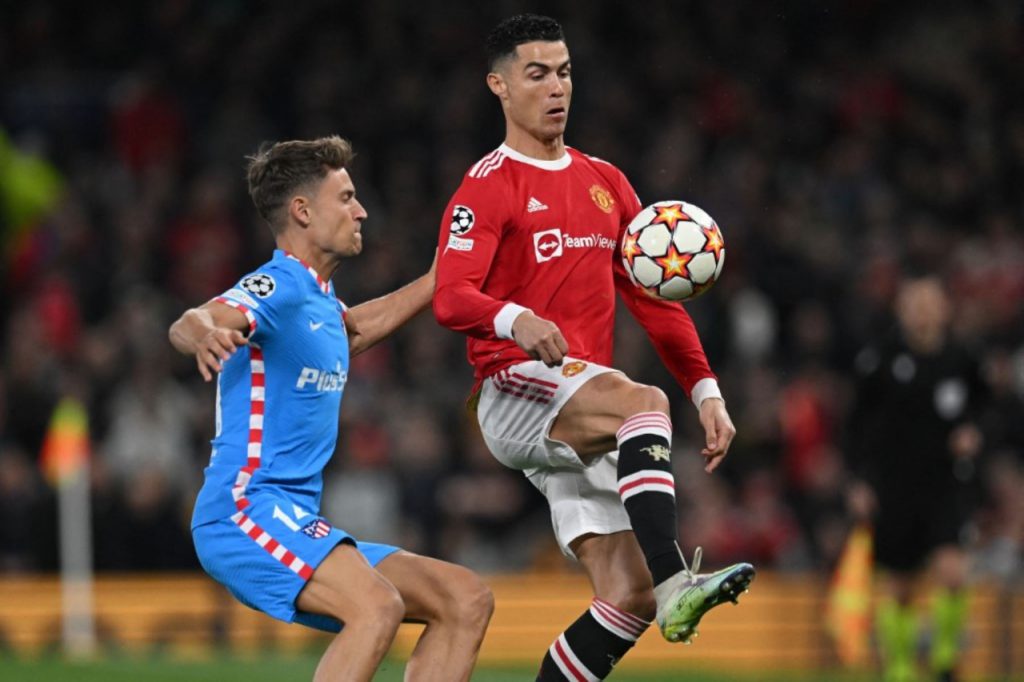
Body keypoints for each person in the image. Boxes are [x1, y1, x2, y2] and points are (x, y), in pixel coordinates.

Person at [433, 14, 754, 681]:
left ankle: (656, 592)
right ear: (499, 85)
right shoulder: (487, 185)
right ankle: (678, 582)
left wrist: (707, 391)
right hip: (513, 386)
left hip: (577, 402)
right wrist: (515, 319)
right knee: (643, 403)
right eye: (537, 74)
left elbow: (653, 301)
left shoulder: (604, 180)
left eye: (565, 72)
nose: (557, 88)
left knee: (626, 597)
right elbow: (451, 296)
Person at [169, 136, 493, 682]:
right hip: (245, 509)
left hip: (296, 516)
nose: (361, 211)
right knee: (377, 607)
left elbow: (354, 330)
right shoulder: (280, 287)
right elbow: (194, 319)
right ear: (302, 211)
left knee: (464, 597)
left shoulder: (318, 302)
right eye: (346, 197)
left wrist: (436, 281)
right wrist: (204, 334)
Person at [846, 275, 987, 682]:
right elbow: (855, 426)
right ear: (901, 310)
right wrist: (858, 480)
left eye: (930, 302)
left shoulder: (963, 358)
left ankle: (944, 660)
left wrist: (975, 432)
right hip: (893, 485)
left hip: (947, 483)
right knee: (900, 586)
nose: (923, 311)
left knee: (953, 573)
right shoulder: (880, 360)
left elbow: (987, 408)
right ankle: (901, 668)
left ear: (944, 309)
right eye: (915, 303)